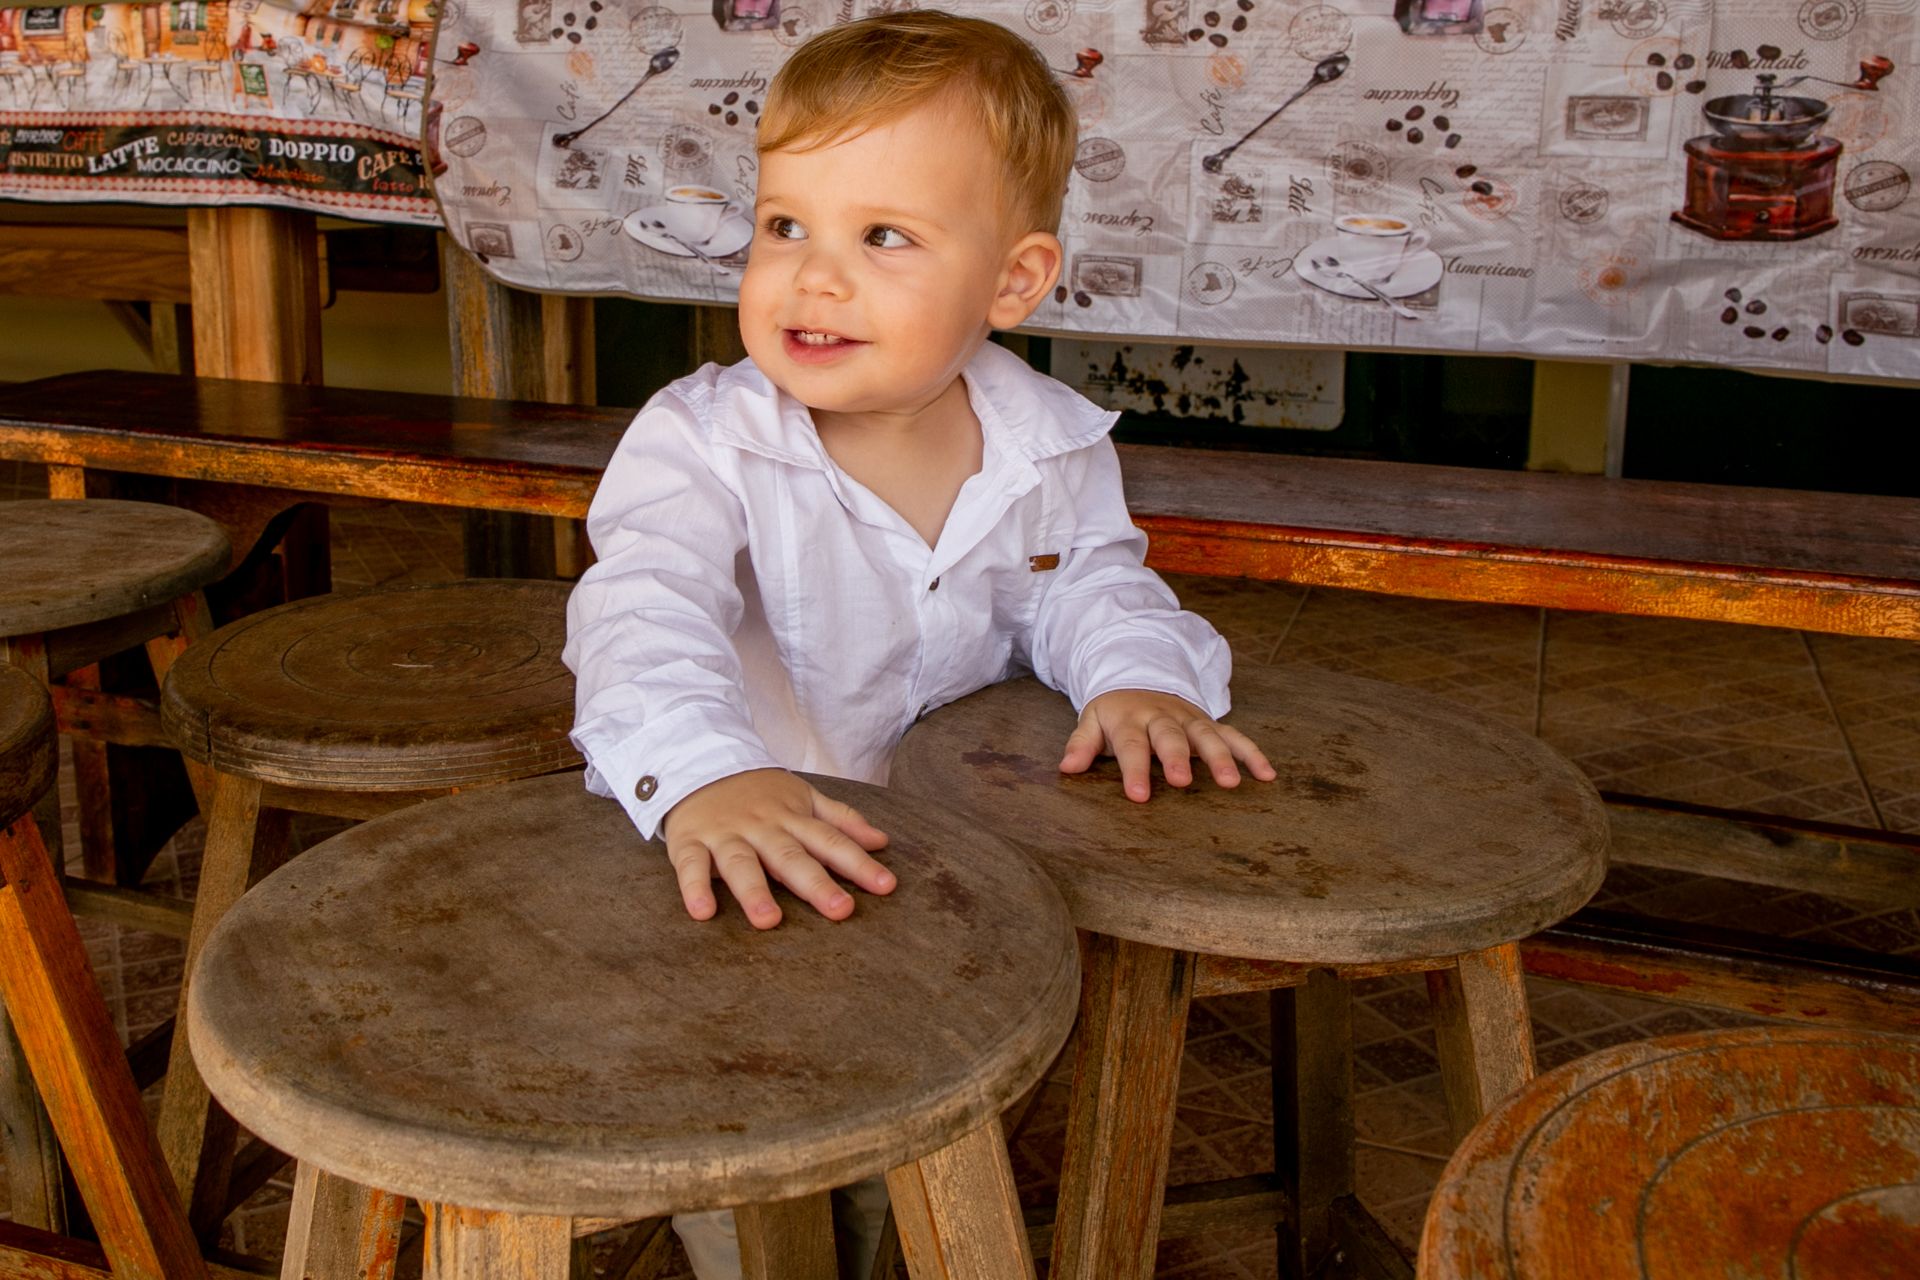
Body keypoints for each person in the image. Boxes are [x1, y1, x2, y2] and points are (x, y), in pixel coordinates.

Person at [564, 11, 1273, 1276]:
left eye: (882, 236)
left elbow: (1090, 584)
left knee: (930, 1122)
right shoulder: (705, 441)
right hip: (731, 866)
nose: (813, 276)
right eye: (787, 225)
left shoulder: (1048, 441)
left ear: (1013, 279)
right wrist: (704, 772)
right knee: (748, 1154)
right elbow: (641, 608)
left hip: (939, 876)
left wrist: (1141, 674)